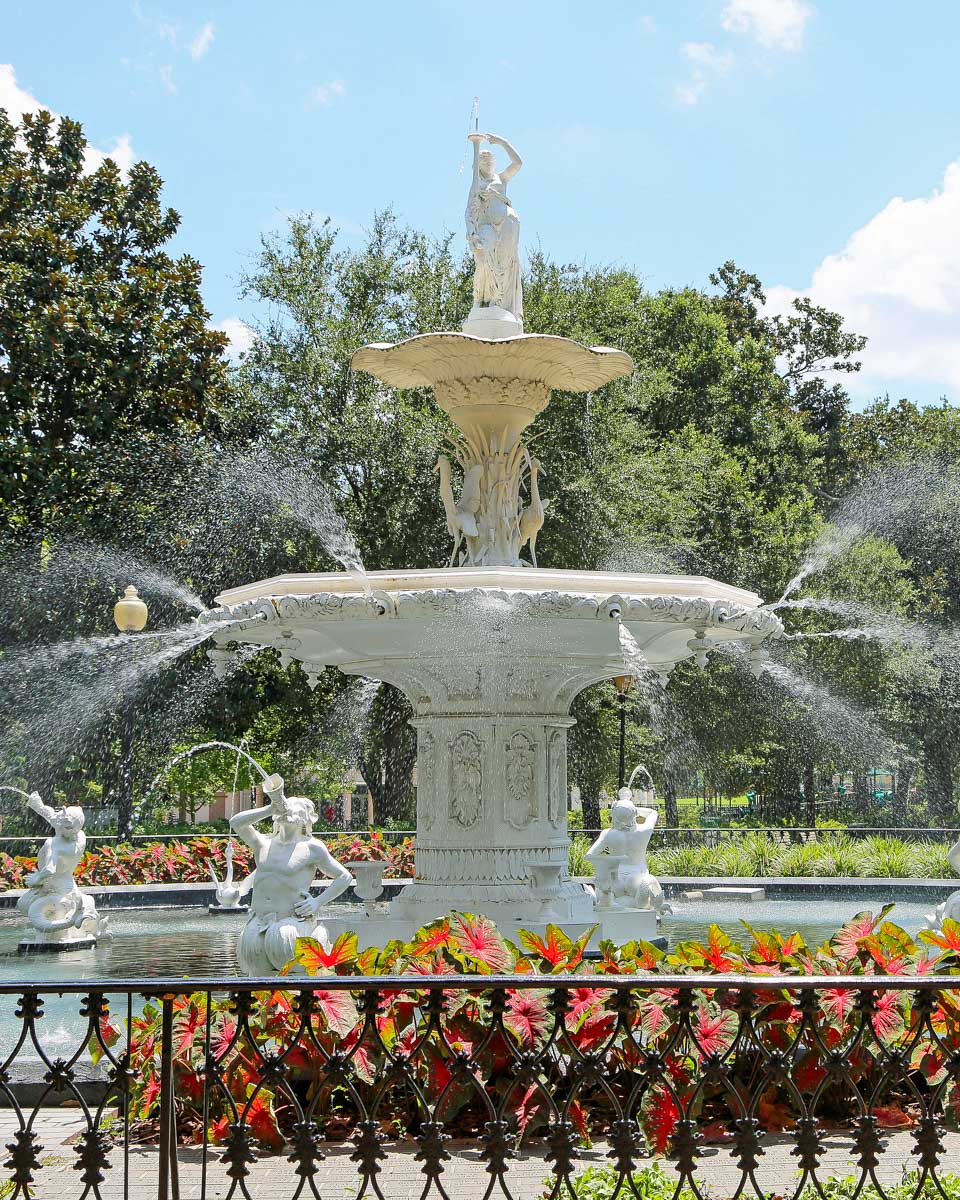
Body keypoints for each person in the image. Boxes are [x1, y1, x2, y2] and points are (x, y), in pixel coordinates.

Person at [229, 775, 353, 975]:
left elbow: (344, 876)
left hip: (291, 925)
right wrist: (270, 808)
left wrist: (317, 902)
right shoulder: (263, 843)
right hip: (258, 921)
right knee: (256, 980)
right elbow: (236, 823)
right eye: (287, 805)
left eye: (296, 807)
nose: (289, 809)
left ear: (305, 817)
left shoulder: (311, 848)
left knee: (294, 980)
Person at [18, 791, 102, 940]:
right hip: (70, 887)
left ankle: (60, 929)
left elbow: (50, 869)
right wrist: (39, 806)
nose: (58, 824)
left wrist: (36, 878)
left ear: (68, 828)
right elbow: (55, 818)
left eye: (62, 825)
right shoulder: (80, 838)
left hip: (53, 888)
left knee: (23, 904)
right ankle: (79, 921)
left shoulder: (55, 845)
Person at [465, 132, 523, 322]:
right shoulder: (476, 183)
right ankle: (480, 298)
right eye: (484, 161)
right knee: (484, 262)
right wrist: (471, 232)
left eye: (490, 161)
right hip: (487, 228)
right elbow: (470, 210)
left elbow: (518, 164)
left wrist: (503, 142)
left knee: (504, 266)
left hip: (506, 229)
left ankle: (497, 302)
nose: (488, 164)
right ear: (478, 165)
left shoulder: (501, 179)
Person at [585, 788, 668, 914]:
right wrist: (633, 809)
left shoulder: (607, 834)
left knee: (603, 896)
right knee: (649, 882)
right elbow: (653, 813)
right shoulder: (644, 831)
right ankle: (656, 906)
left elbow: (590, 855)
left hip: (614, 881)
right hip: (637, 880)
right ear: (634, 814)